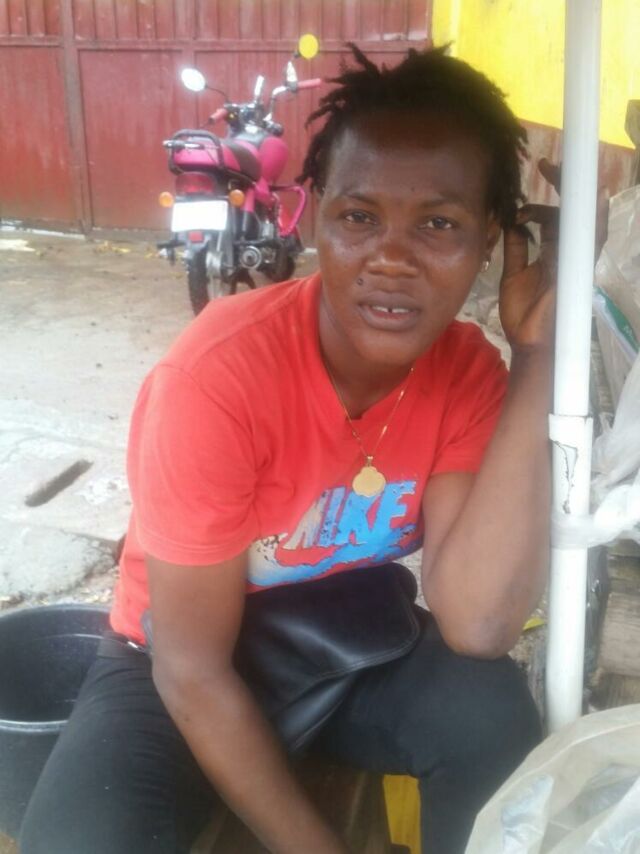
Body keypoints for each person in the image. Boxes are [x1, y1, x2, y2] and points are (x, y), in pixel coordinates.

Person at [21, 45, 554, 854]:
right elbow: (192, 671)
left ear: (491, 240)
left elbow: (477, 623)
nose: (392, 258)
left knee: (492, 713)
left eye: (439, 224)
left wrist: (538, 358)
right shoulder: (218, 376)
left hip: (344, 642)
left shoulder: (468, 374)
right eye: (359, 216)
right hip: (176, 659)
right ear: (312, 218)